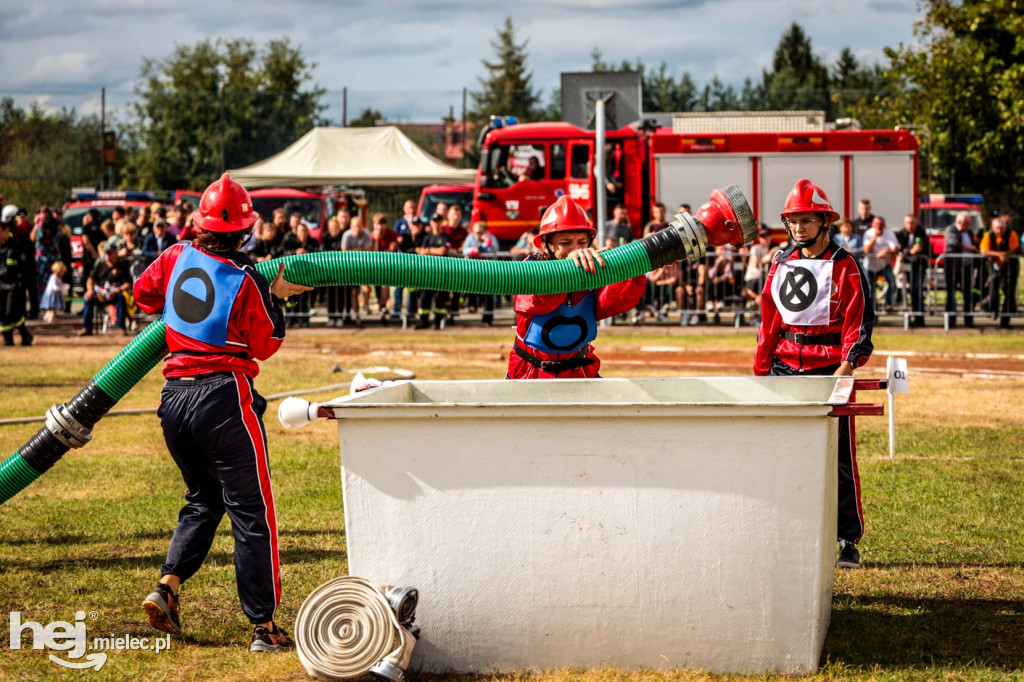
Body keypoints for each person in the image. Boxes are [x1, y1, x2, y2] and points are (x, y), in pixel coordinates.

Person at [134, 173, 310, 654]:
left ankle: (167, 586)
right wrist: (277, 299)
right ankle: (264, 628)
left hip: (174, 398)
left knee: (203, 499)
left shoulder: (174, 256)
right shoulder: (248, 279)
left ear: (201, 223)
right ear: (246, 230)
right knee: (252, 512)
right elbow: (266, 345)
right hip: (223, 397)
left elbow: (143, 294)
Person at [754, 179, 875, 570]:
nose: (799, 228)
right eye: (793, 221)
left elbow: (859, 323)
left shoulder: (848, 266)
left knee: (839, 457)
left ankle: (848, 540)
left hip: (830, 371)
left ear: (825, 222)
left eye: (807, 220)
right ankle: (782, 527)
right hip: (784, 368)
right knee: (779, 453)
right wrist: (761, 369)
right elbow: (768, 321)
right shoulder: (778, 263)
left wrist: (846, 369)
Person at [507, 195, 645, 379]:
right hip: (530, 374)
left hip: (580, 372)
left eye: (581, 242)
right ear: (547, 245)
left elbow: (615, 303)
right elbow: (535, 302)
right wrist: (568, 270)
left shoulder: (592, 270)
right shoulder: (529, 269)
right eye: (565, 243)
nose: (576, 250)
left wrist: (634, 267)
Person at [79, 243, 131, 336]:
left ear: (115, 253)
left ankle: (121, 328)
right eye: (106, 253)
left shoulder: (122, 266)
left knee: (121, 298)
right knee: (88, 298)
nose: (107, 255)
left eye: (110, 253)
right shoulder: (100, 264)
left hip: (115, 293)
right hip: (101, 294)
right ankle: (86, 328)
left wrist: (117, 291)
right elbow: (90, 279)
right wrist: (90, 290)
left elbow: (128, 284)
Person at [979, 216, 1019, 328]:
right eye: (997, 228)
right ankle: (993, 311)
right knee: (993, 288)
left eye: (1001, 228)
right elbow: (983, 250)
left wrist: (1005, 255)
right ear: (993, 227)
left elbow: (1013, 249)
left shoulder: (1012, 234)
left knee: (1009, 292)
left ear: (1005, 227)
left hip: (1010, 267)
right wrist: (999, 255)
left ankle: (1005, 320)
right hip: (994, 266)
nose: (999, 231)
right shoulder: (988, 234)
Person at [0, 218, 34, 346]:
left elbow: (25, 265)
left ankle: (25, 335)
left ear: (6, 230)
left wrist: (22, 281)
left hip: (14, 283)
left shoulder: (16, 245)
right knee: (1, 312)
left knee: (11, 312)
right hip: (0, 283)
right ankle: (8, 339)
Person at [415, 215, 453, 329]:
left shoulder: (445, 237)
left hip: (441, 273)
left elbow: (443, 251)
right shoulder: (427, 237)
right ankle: (423, 321)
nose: (436, 224)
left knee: (439, 298)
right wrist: (432, 251)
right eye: (434, 221)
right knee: (425, 297)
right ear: (430, 222)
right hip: (428, 273)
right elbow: (420, 251)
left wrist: (429, 251)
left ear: (442, 222)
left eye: (438, 221)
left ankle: (438, 321)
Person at [280, 222, 320, 327]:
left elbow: (319, 253)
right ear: (296, 232)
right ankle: (290, 319)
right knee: (291, 299)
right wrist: (295, 252)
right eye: (300, 231)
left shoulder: (313, 242)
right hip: (292, 276)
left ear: (307, 232)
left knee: (304, 299)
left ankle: (304, 320)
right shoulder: (291, 242)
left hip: (307, 277)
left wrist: (308, 253)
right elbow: (283, 252)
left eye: (304, 230)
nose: (302, 233)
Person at [944, 210, 978, 328]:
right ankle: (951, 321)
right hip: (953, 268)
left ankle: (968, 320)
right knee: (951, 294)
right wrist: (971, 248)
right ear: (959, 221)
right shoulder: (951, 229)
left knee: (968, 294)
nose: (968, 226)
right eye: (966, 223)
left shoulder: (969, 232)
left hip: (967, 267)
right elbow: (954, 244)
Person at [896, 214, 932, 327]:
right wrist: (909, 251)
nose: (910, 226)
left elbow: (921, 246)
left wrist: (911, 251)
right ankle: (914, 316)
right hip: (908, 266)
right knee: (911, 290)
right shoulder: (901, 233)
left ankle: (919, 318)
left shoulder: (921, 232)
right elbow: (901, 247)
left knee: (917, 289)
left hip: (920, 265)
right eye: (907, 223)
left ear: (916, 223)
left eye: (912, 223)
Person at [462, 221, 499, 325]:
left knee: (488, 294)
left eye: (480, 233)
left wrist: (487, 243)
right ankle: (472, 305)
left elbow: (496, 250)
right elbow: (465, 250)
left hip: (488, 270)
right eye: (476, 233)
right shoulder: (471, 237)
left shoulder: (491, 237)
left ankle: (487, 318)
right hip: (473, 270)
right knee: (471, 288)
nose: (477, 235)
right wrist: (473, 250)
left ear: (485, 231)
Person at [863, 216, 900, 313]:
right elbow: (866, 250)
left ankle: (888, 304)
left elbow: (896, 248)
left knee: (892, 284)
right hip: (870, 266)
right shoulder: (868, 233)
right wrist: (875, 237)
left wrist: (886, 251)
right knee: (870, 289)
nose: (879, 226)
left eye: (881, 224)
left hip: (884, 264)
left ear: (884, 225)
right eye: (876, 224)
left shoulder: (889, 233)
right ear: (873, 225)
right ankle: (872, 311)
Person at [341, 215, 373, 326]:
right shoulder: (347, 235)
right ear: (351, 226)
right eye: (355, 226)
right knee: (354, 292)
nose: (357, 228)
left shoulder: (366, 234)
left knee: (367, 287)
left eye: (359, 226)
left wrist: (353, 251)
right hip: (351, 268)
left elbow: (368, 251)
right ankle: (356, 315)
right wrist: (360, 250)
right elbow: (344, 253)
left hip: (364, 266)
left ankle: (365, 305)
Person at [370, 213, 399, 322]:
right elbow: (372, 253)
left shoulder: (392, 234)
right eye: (377, 224)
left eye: (382, 224)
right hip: (374, 268)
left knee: (384, 284)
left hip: (388, 267)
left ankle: (383, 306)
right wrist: (376, 240)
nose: (380, 227)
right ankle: (380, 305)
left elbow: (391, 251)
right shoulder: (371, 236)